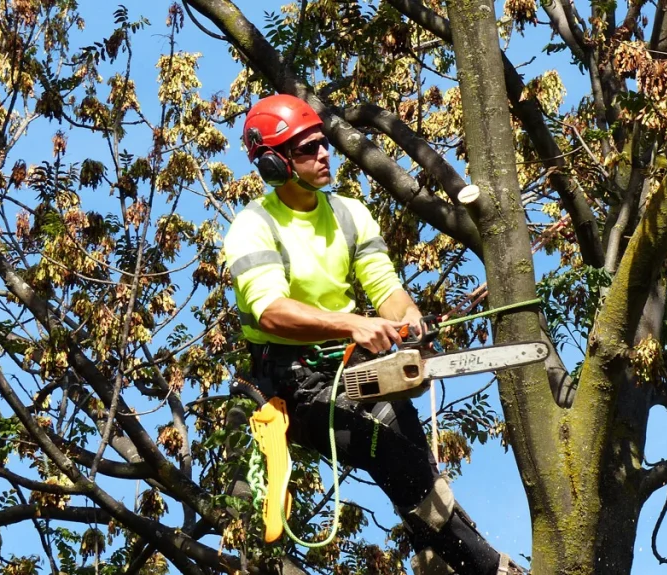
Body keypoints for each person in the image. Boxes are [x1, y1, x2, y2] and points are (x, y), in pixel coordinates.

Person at [223, 94, 524, 575]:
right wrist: (354, 323)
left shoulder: (348, 213)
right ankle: (490, 569)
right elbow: (270, 312)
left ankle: (438, 558)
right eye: (306, 149)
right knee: (390, 453)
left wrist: (409, 322)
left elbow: (387, 290)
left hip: (352, 364)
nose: (323, 154)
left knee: (411, 448)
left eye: (322, 143)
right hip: (292, 382)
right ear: (276, 163)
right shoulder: (253, 226)